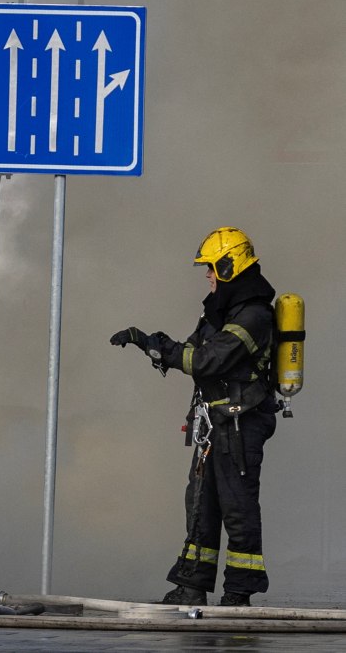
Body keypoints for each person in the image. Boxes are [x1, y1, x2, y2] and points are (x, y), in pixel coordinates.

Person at [110, 226, 279, 607]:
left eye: (212, 267)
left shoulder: (254, 316)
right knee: (200, 503)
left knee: (237, 507)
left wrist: (160, 347)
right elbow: (191, 350)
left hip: (240, 424)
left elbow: (206, 360)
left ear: (230, 266)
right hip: (213, 424)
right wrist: (151, 345)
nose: (207, 275)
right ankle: (191, 584)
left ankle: (240, 589)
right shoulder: (219, 312)